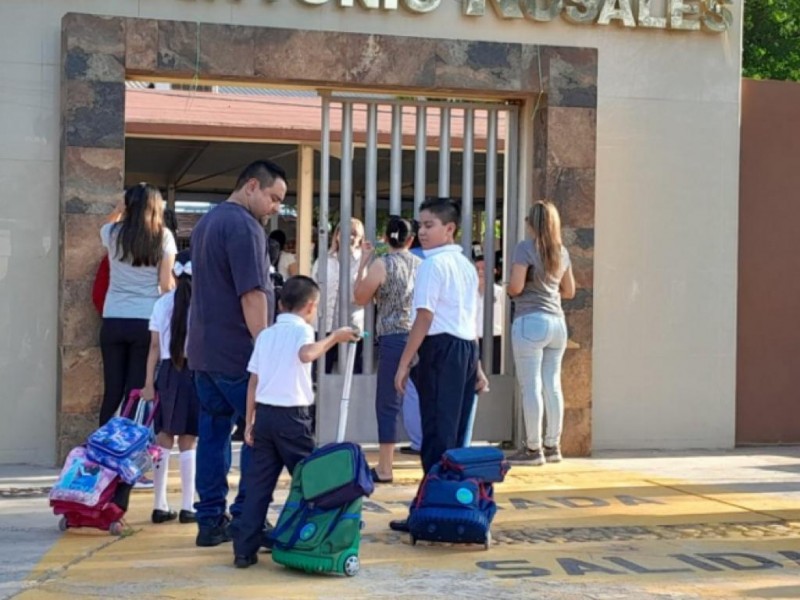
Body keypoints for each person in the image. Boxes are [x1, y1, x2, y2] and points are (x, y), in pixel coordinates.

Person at [187, 160, 287, 547]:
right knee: (257, 436)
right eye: (273, 197)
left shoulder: (207, 223)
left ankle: (210, 519)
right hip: (238, 354)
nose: (276, 207)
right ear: (251, 186)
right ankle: (248, 518)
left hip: (203, 352)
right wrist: (266, 350)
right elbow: (252, 294)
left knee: (212, 436)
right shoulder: (246, 228)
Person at [232, 276, 359, 568]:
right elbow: (307, 354)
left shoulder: (265, 335)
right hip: (293, 418)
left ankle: (244, 550)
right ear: (311, 306)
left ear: (279, 303)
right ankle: (311, 538)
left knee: (258, 486)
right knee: (311, 481)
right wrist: (335, 337)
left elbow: (254, 381)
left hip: (264, 416)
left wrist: (249, 422)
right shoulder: (304, 330)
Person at [391, 198, 489, 532]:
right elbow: (468, 319)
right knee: (453, 436)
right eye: (420, 225)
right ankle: (443, 505)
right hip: (463, 349)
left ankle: (434, 507)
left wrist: (404, 362)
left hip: (442, 349)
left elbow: (425, 315)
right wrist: (476, 365)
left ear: (450, 229)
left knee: (436, 436)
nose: (422, 231)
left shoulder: (433, 265)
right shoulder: (463, 263)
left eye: (430, 225)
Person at [99, 183, 176, 427]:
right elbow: (165, 286)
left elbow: (109, 221)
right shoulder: (163, 237)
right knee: (135, 390)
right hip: (145, 320)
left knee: (112, 390)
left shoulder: (111, 233)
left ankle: (103, 450)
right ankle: (125, 451)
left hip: (112, 319)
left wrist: (120, 206)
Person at [506, 201, 575, 465]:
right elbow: (569, 291)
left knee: (531, 386)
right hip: (557, 323)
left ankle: (533, 449)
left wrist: (513, 284)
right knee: (552, 384)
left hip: (530, 320)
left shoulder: (525, 248)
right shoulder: (562, 252)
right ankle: (553, 445)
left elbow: (515, 287)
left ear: (531, 223)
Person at [354, 216, 421, 483]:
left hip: (394, 338)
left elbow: (358, 297)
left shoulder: (382, 265)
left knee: (388, 402)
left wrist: (362, 265)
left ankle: (385, 467)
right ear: (411, 239)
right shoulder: (422, 265)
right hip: (421, 334)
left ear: (385, 239)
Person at [141, 250, 199, 524]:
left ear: (173, 272)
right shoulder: (203, 304)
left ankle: (159, 504)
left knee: (164, 437)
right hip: (194, 372)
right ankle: (188, 506)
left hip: (166, 372)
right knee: (189, 439)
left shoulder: (162, 303)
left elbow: (153, 346)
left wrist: (148, 383)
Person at [311, 218, 366, 373]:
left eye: (355, 234)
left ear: (361, 238)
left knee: (351, 373)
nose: (350, 237)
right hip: (324, 325)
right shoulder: (323, 260)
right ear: (337, 235)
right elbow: (313, 288)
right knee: (321, 372)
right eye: (346, 233)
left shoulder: (364, 261)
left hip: (352, 325)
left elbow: (365, 293)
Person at [473, 244, 504, 375]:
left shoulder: (501, 293)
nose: (480, 272)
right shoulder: (466, 294)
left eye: (484, 268)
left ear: (494, 271)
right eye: (476, 268)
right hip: (473, 341)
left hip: (496, 341)